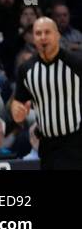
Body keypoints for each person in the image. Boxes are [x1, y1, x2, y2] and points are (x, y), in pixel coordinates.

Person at [10, 17, 82, 169]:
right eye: (38, 33)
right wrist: (16, 111)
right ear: (33, 38)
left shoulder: (76, 63)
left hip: (75, 142)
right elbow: (18, 102)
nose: (43, 37)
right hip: (46, 144)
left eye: (47, 32)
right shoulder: (26, 69)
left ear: (57, 35)